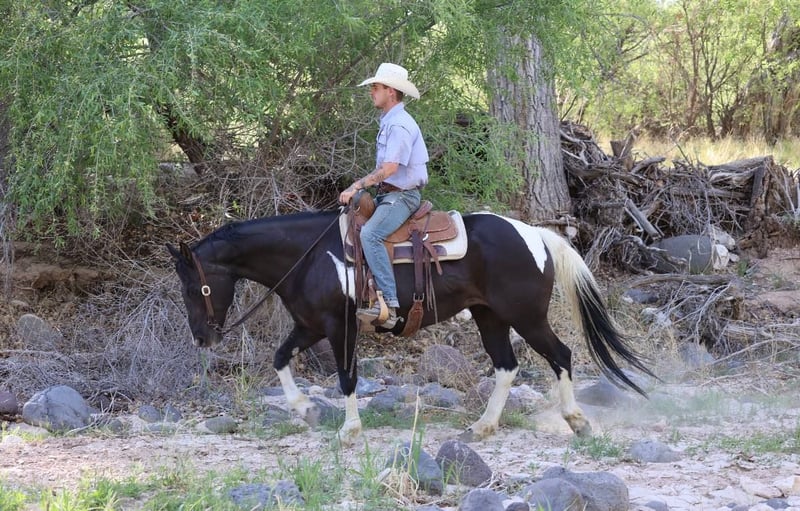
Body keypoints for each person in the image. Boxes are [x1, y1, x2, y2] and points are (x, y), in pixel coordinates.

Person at [339, 63, 429, 328]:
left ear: (391, 91)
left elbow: (389, 169)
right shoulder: (390, 121)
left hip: (403, 197)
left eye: (376, 87)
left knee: (370, 234)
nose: (372, 92)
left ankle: (388, 305)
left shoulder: (399, 125)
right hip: (389, 195)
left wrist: (357, 186)